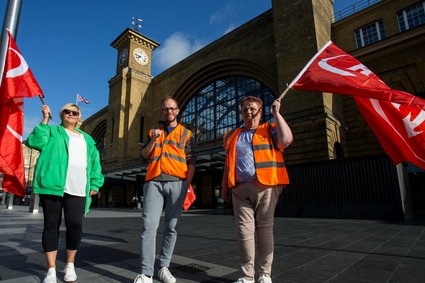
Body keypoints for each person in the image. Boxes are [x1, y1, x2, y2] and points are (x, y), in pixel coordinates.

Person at [27, 104, 104, 283]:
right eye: (67, 111)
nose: (71, 114)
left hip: (78, 188)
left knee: (75, 225)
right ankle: (51, 270)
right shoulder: (52, 131)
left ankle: (70, 264)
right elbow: (35, 142)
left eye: (74, 112)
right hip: (53, 186)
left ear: (78, 117)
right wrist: (45, 119)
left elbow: (95, 164)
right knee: (51, 225)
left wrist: (95, 184)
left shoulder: (88, 139)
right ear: (61, 115)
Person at [222, 96, 293, 283]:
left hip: (267, 187)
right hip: (239, 191)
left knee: (264, 230)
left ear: (260, 112)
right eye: (244, 109)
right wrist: (225, 189)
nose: (248, 112)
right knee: (244, 233)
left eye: (252, 109)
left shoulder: (270, 129)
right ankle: (247, 276)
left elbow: (285, 141)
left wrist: (276, 114)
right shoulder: (231, 135)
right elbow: (228, 164)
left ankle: (264, 274)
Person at [134, 97, 196, 283]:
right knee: (148, 227)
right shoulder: (153, 132)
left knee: (171, 227)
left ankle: (164, 267)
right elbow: (144, 156)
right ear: (162, 112)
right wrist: (153, 140)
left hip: (177, 183)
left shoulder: (187, 134)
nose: (168, 111)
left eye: (172, 108)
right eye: (165, 108)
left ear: (177, 111)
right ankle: (146, 273)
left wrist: (186, 185)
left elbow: (192, 162)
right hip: (154, 182)